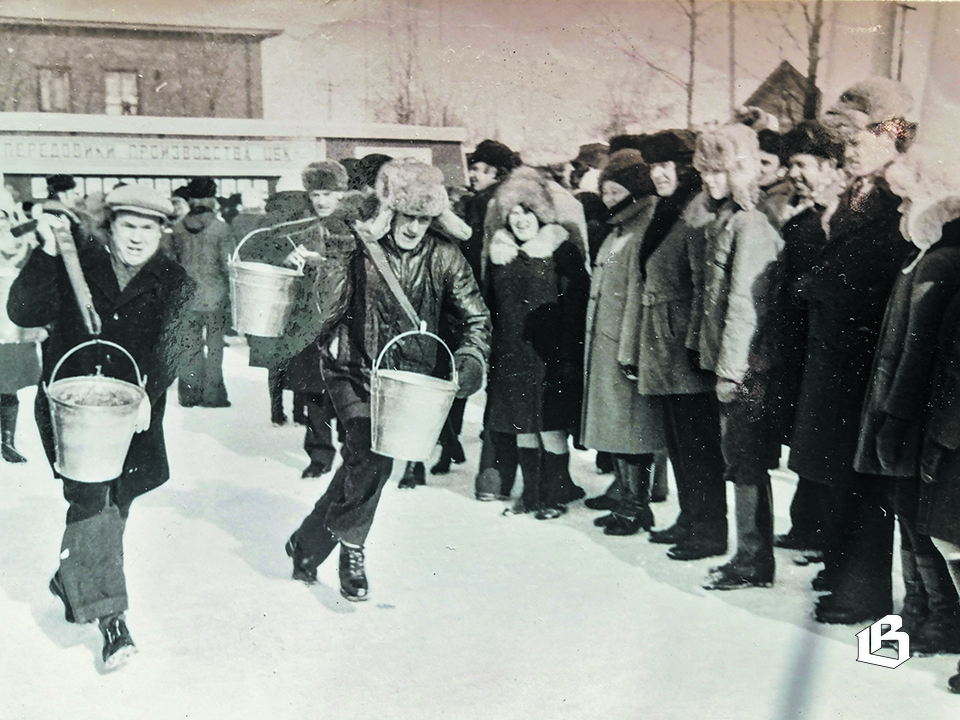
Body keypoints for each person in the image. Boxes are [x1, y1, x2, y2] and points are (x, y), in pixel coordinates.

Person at [285, 159, 490, 601]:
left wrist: (471, 357)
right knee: (370, 456)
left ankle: (307, 543)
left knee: (363, 463)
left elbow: (476, 317)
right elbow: (326, 310)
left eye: (424, 218)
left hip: (405, 380)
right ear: (389, 211)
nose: (414, 228)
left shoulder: (445, 256)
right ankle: (352, 550)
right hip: (352, 369)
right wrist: (340, 250)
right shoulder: (360, 248)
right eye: (407, 215)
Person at [7, 184, 192, 669]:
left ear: (162, 232)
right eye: (128, 225)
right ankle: (112, 618)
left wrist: (150, 393)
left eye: (148, 228)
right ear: (110, 227)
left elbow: (177, 347)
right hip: (73, 409)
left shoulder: (174, 280)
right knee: (93, 501)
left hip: (134, 411)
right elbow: (24, 312)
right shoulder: (77, 261)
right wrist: (47, 255)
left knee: (116, 502)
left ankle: (72, 579)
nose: (137, 237)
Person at [789, 80, 915, 625]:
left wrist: (823, 286)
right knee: (838, 471)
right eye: (846, 138)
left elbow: (882, 273)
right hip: (839, 355)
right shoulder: (857, 192)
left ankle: (862, 592)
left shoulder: (900, 199)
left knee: (863, 480)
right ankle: (841, 572)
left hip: (866, 359)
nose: (850, 147)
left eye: (860, 137)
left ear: (891, 135)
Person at [854, 151, 960, 653]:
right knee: (908, 508)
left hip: (914, 411)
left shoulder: (938, 262)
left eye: (906, 201)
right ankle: (918, 608)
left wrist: (894, 415)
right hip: (910, 406)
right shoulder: (922, 258)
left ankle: (936, 614)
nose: (899, 211)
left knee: (918, 512)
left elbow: (916, 353)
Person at [619, 129, 726, 561]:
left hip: (686, 346)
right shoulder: (667, 209)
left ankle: (710, 529)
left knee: (698, 442)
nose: (657, 175)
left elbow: (705, 288)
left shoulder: (697, 212)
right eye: (653, 167)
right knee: (680, 440)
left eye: (664, 166)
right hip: (664, 344)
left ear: (684, 167)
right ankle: (690, 516)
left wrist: (700, 347)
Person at [687, 124, 784, 590]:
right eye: (705, 172)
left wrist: (731, 370)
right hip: (734, 364)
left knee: (747, 460)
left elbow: (747, 304)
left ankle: (753, 560)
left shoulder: (751, 225)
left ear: (740, 170)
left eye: (719, 171)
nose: (710, 180)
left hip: (748, 367)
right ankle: (746, 554)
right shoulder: (726, 220)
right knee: (739, 458)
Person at [483, 167, 590, 520]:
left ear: (541, 213)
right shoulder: (500, 252)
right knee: (522, 428)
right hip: (512, 356)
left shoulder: (562, 249)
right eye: (513, 213)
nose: (520, 220)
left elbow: (576, 306)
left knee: (551, 427)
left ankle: (555, 493)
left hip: (551, 356)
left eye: (527, 211)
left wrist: (570, 356)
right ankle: (530, 494)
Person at [770, 122, 846, 561]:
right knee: (806, 435)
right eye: (791, 165)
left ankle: (823, 531)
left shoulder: (841, 218)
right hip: (800, 343)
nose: (793, 174)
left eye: (802, 165)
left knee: (823, 438)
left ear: (829, 165)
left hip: (826, 346)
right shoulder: (804, 217)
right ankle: (807, 525)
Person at [580, 149, 666, 535]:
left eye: (615, 191)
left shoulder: (644, 226)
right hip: (607, 343)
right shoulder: (619, 228)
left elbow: (636, 293)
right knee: (616, 425)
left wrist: (630, 351)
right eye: (605, 192)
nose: (608, 199)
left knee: (632, 428)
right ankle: (623, 493)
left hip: (624, 347)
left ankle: (635, 507)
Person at [457, 140, 522, 496]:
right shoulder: (506, 198)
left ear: (499, 173)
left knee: (499, 394)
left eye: (483, 169)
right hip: (502, 304)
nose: (474, 175)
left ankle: (493, 477)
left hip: (487, 302)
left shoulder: (485, 203)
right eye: (474, 168)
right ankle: (497, 477)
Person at [168, 177, 233, 408]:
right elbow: (228, 266)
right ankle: (213, 396)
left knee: (188, 347)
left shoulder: (177, 228)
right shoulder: (221, 228)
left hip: (185, 298)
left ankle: (188, 395)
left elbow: (171, 264)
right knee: (215, 348)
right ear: (212, 199)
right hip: (215, 297)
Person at [0, 192, 44, 463]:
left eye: (2, 216)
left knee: (7, 384)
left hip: (10, 325)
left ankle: (7, 441)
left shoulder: (23, 242)